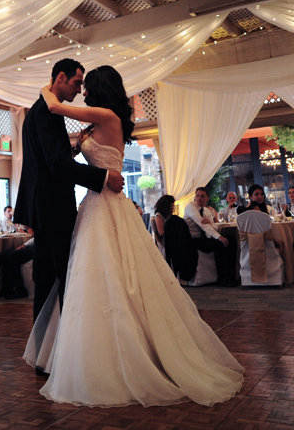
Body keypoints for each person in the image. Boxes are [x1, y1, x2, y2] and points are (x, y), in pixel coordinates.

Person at [24, 65, 244, 407]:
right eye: (78, 83)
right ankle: (85, 352)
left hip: (105, 205)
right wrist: (86, 152)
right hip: (93, 206)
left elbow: (54, 107)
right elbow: (60, 160)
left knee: (106, 278)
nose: (82, 91)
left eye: (86, 85)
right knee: (88, 281)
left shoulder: (103, 114)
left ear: (98, 88)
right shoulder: (96, 122)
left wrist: (47, 89)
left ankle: (108, 353)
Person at [13, 58, 124, 323]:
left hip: (45, 207)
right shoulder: (47, 112)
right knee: (64, 278)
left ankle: (50, 349)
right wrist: (104, 176)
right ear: (60, 78)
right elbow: (58, 166)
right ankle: (62, 345)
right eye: (76, 83)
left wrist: (75, 150)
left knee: (49, 278)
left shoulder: (42, 110)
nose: (79, 91)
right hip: (52, 208)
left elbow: (52, 160)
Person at [184, 187, 240, 286]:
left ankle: (232, 276)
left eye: (202, 196)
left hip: (205, 238)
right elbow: (202, 224)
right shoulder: (190, 207)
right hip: (193, 240)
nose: (199, 198)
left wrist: (210, 222)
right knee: (219, 244)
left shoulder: (206, 210)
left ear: (207, 198)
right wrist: (219, 237)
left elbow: (213, 226)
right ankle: (222, 278)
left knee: (232, 241)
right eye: (197, 195)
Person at [1, 229, 34, 299]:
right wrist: (24, 246)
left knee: (12, 256)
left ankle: (19, 288)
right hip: (34, 246)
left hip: (40, 248)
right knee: (7, 253)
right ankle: (7, 287)